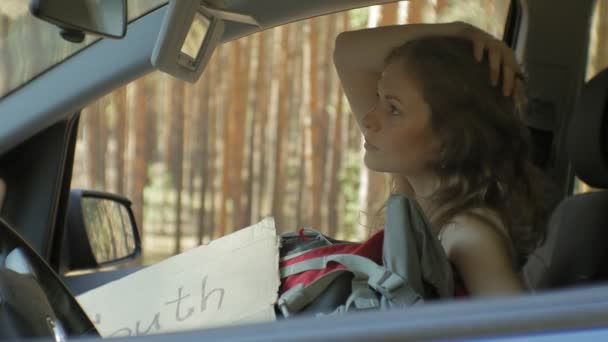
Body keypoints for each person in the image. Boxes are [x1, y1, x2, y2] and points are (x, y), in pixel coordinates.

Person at [333, 22, 546, 297]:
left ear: (450, 138)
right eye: (378, 98)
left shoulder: (469, 233)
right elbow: (346, 53)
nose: (369, 119)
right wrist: (460, 33)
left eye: (393, 109)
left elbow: (523, 333)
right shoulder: (423, 196)